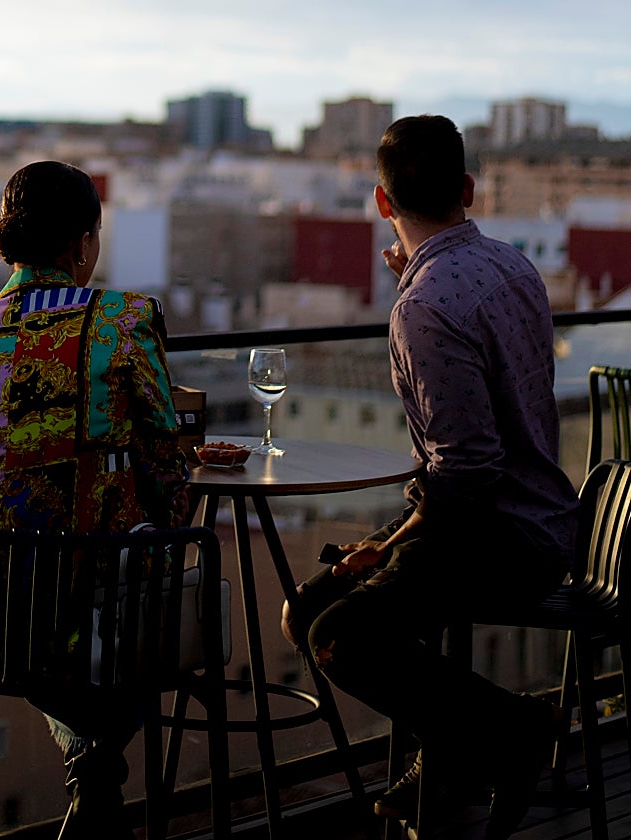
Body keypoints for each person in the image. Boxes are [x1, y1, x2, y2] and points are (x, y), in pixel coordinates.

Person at [280, 115, 580, 839]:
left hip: (498, 533)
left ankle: (515, 730)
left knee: (338, 637)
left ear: (383, 204)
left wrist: (388, 545)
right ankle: (449, 759)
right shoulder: (513, 265)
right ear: (469, 190)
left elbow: (466, 475)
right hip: (539, 515)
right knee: (309, 607)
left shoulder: (425, 308)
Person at [0, 160, 191, 839]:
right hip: (95, 612)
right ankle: (96, 777)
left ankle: (91, 777)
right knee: (152, 572)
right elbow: (167, 471)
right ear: (81, 245)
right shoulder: (124, 322)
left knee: (58, 611)